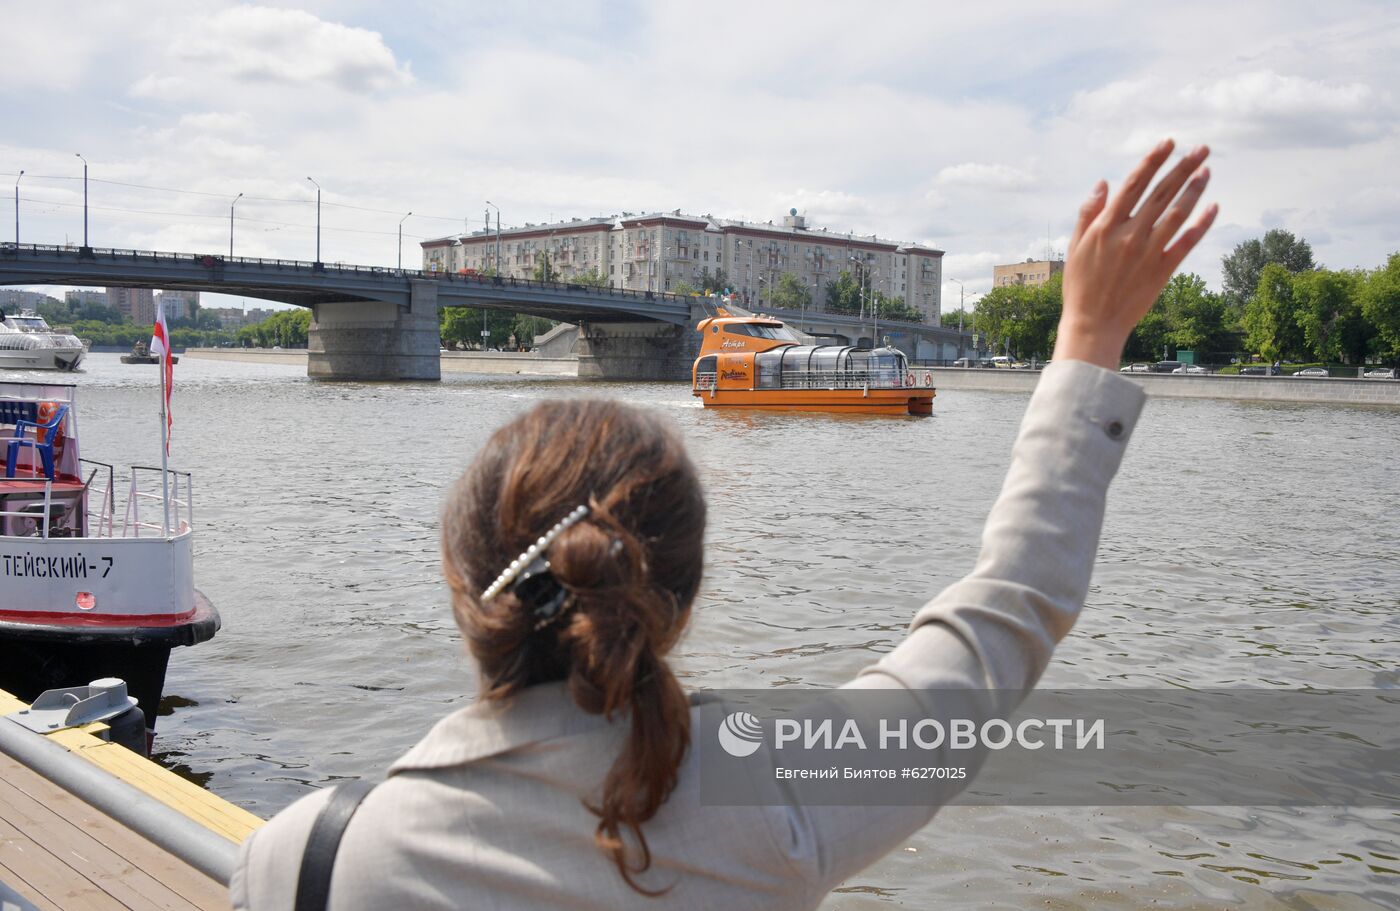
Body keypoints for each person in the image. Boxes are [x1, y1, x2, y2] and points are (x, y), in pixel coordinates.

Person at [232, 139, 1217, 910]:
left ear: (463, 580)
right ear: (676, 595)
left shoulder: (303, 859)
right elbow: (1006, 612)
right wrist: (1086, 342)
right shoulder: (772, 801)